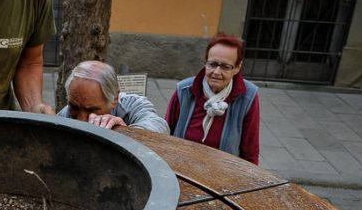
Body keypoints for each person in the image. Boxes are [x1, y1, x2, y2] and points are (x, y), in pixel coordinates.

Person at [164, 33, 260, 164]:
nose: (216, 72)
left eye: (226, 67)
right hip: (181, 168)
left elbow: (250, 150)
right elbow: (164, 134)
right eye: (212, 64)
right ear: (205, 63)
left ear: (237, 68)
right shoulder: (184, 90)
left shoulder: (247, 97)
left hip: (222, 176)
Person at [58, 61, 169, 133]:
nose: (81, 119)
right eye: (75, 107)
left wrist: (128, 132)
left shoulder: (133, 105)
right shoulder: (65, 114)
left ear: (115, 99)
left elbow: (160, 126)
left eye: (91, 110)